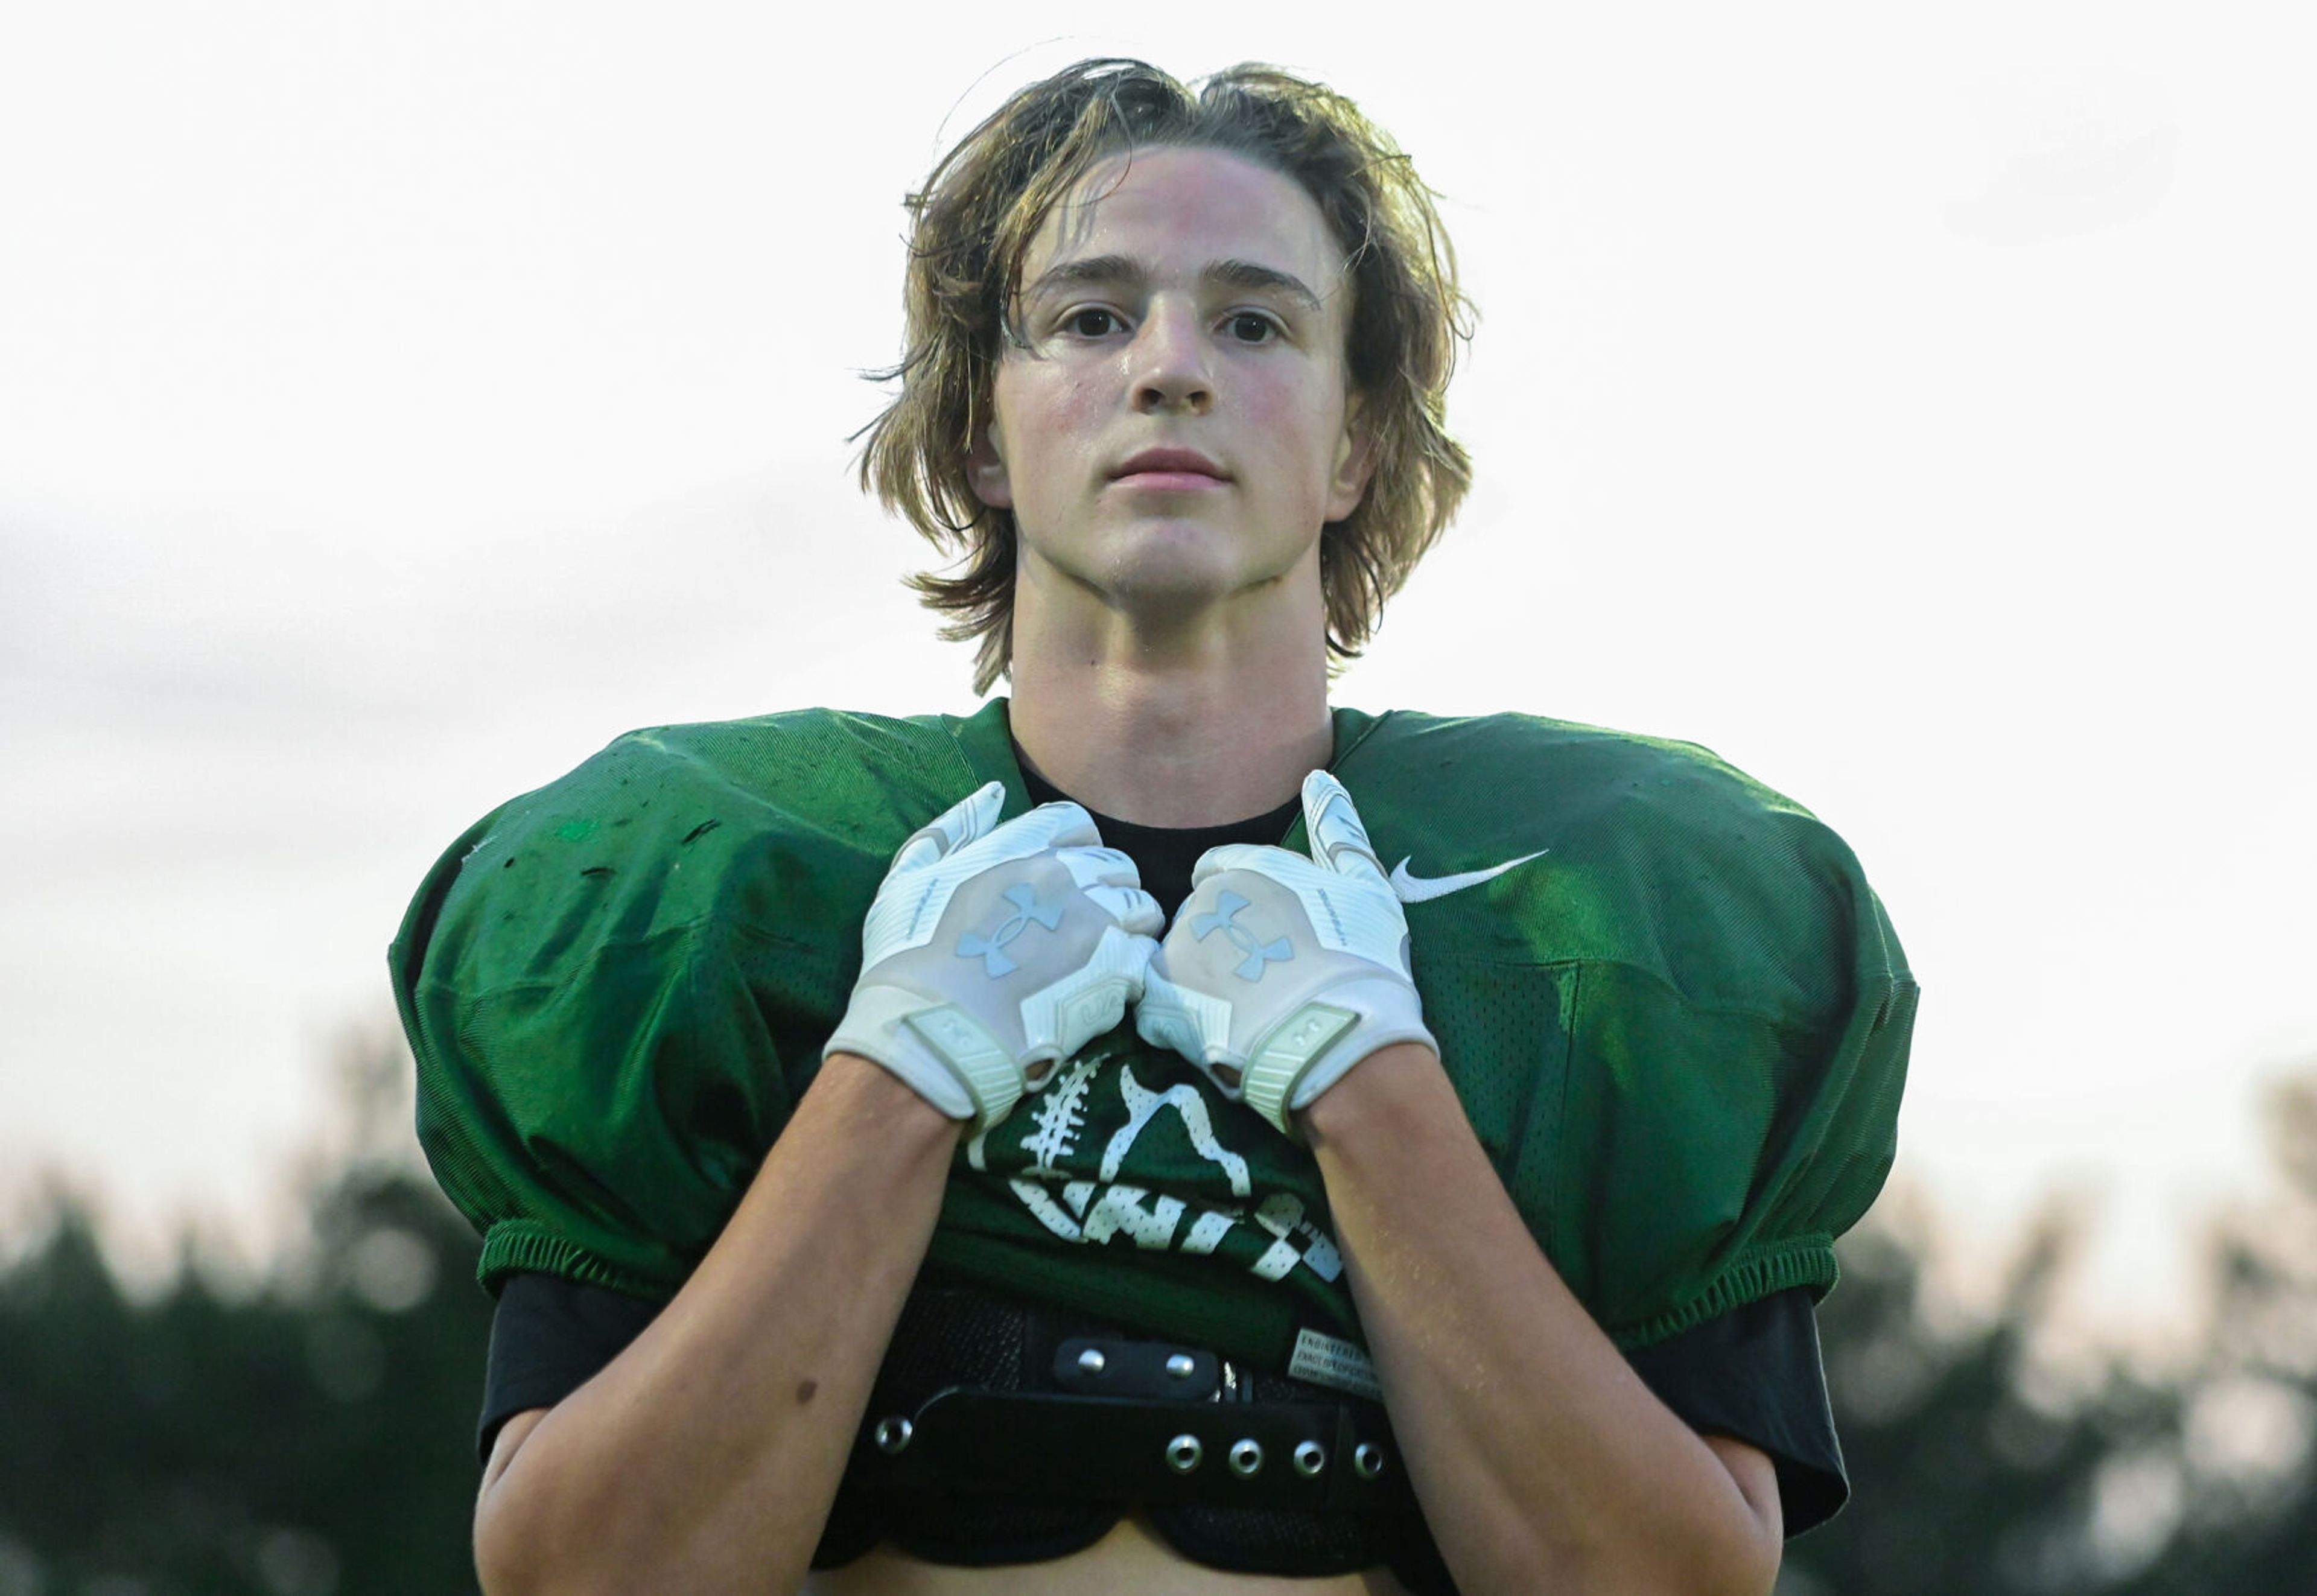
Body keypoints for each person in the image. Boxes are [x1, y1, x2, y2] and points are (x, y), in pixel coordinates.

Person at [390, 58, 1916, 1596]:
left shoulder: (1586, 912)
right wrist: (896, 1073)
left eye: (1255, 322)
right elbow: (582, 1578)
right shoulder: (716, 894)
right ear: (981, 430)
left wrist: (1371, 1083)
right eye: (1093, 316)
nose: (1171, 368)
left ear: (1356, 445)